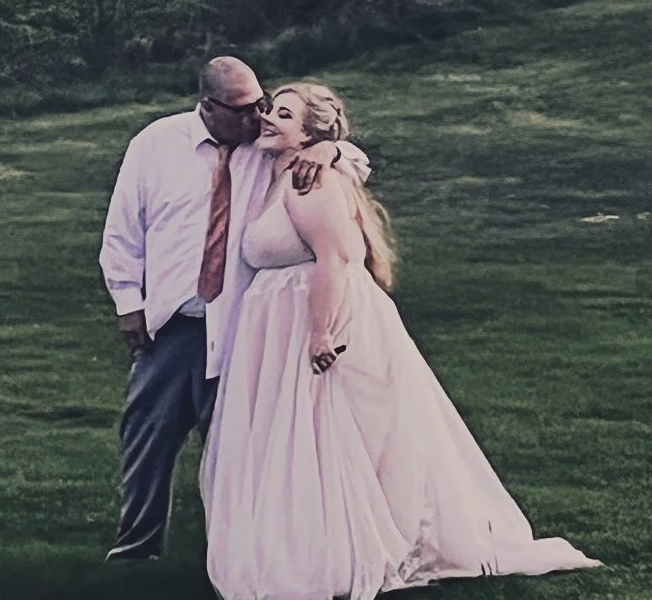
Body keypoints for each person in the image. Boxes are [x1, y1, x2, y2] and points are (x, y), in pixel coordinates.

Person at [203, 82, 599, 600]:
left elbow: (338, 258)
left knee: (337, 435)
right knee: (297, 438)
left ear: (310, 133)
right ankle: (305, 538)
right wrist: (331, 147)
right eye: (269, 111)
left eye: (283, 114)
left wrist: (320, 331)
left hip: (316, 319)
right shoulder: (275, 168)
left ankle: (350, 548)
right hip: (276, 326)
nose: (269, 120)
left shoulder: (311, 181)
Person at [99, 56, 362, 562]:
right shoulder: (155, 145)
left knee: (239, 443)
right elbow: (122, 231)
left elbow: (354, 161)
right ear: (209, 107)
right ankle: (137, 547)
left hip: (243, 326)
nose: (258, 117)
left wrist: (329, 149)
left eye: (262, 105)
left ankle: (236, 549)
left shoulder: (262, 149)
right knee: (148, 435)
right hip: (172, 325)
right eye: (243, 110)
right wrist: (128, 303)